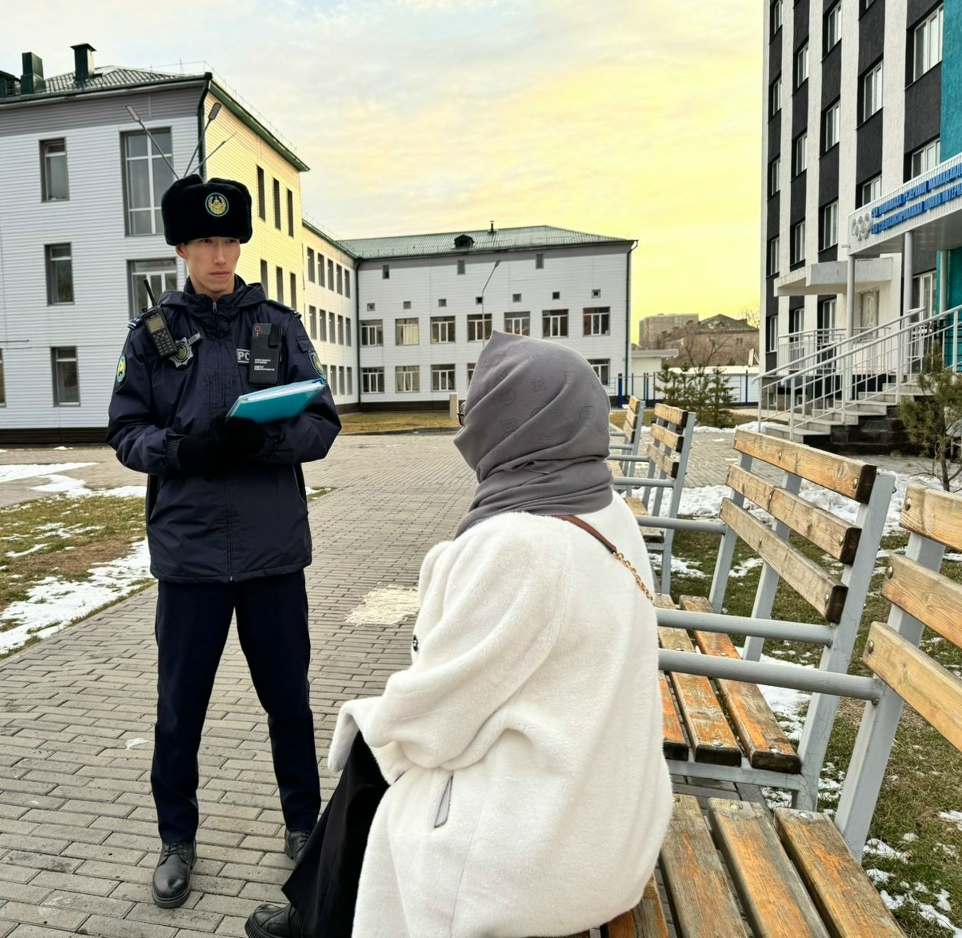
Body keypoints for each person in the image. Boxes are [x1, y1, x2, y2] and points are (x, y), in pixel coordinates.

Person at [244, 331, 672, 938]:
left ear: (509, 425)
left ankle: (316, 923)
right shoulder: (605, 505)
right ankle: (308, 911)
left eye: (481, 410)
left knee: (379, 754)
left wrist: (373, 725)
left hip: (545, 853)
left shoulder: (519, 543)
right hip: (611, 815)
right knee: (383, 742)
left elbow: (439, 721)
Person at [107, 173, 341, 909]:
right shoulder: (150, 337)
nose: (220, 253)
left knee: (289, 702)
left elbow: (323, 425)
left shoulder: (278, 327)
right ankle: (177, 840)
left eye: (230, 238)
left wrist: (262, 441)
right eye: (205, 240)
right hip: (191, 558)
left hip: (272, 555)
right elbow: (125, 432)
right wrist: (182, 450)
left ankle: (303, 829)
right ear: (181, 247)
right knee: (181, 708)